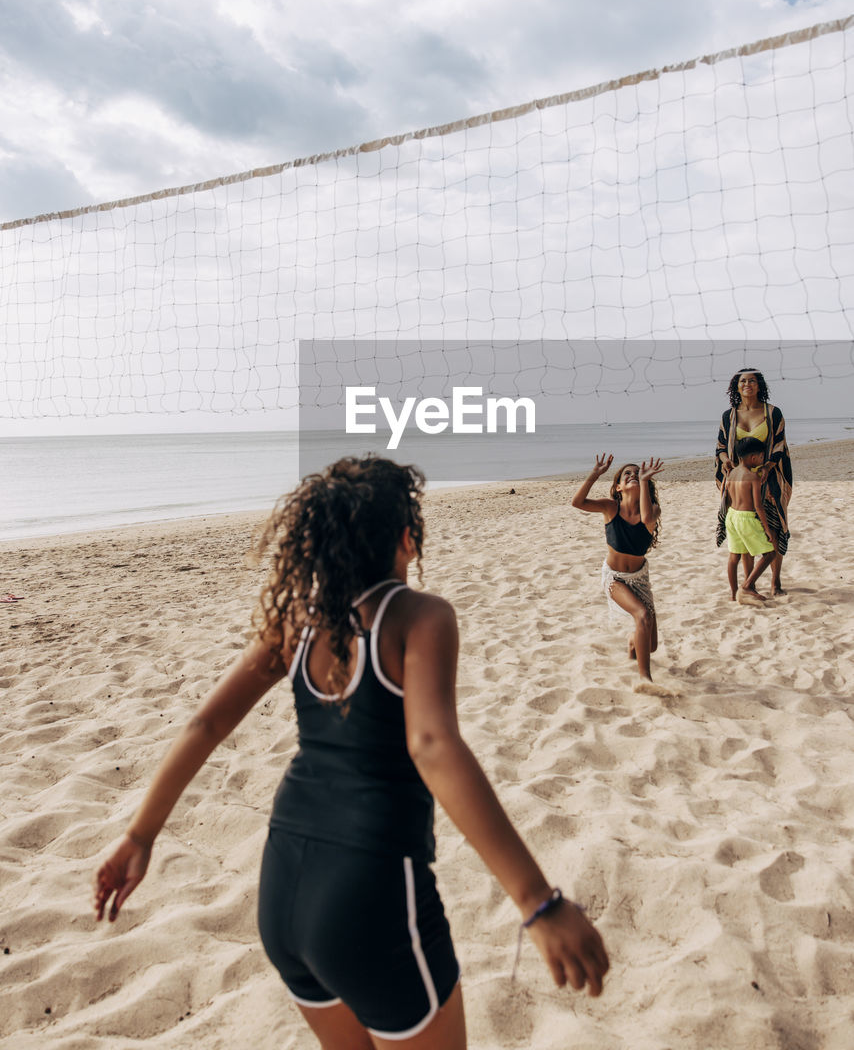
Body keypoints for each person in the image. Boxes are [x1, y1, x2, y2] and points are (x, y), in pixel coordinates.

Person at [93, 455, 608, 1049]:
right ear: (407, 538)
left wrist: (139, 835)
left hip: (283, 889)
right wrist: (536, 903)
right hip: (371, 893)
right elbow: (432, 744)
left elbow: (205, 723)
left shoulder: (296, 620)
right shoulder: (419, 616)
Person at [571, 455, 663, 683]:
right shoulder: (610, 508)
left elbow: (647, 518)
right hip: (615, 578)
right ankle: (646, 680)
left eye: (637, 473)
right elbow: (577, 503)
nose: (633, 475)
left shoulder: (652, 509)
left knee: (650, 646)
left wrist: (643, 481)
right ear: (618, 487)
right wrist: (595, 474)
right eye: (627, 475)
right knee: (641, 616)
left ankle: (633, 644)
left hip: (640, 579)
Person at [715, 368, 792, 595]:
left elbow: (780, 444)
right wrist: (726, 460)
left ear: (759, 385)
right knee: (745, 533)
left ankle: (775, 583)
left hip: (771, 477)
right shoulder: (728, 416)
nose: (747, 384)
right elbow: (720, 446)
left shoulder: (772, 413)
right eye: (743, 381)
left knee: (775, 529)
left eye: (752, 380)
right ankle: (751, 584)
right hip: (740, 480)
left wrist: (768, 466)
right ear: (736, 386)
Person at [722, 436, 779, 606]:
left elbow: (726, 496)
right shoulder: (752, 477)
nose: (762, 461)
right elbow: (758, 506)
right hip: (746, 518)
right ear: (754, 457)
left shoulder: (731, 473)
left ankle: (733, 594)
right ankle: (746, 587)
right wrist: (767, 529)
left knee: (734, 557)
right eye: (762, 457)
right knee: (770, 553)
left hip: (731, 516)